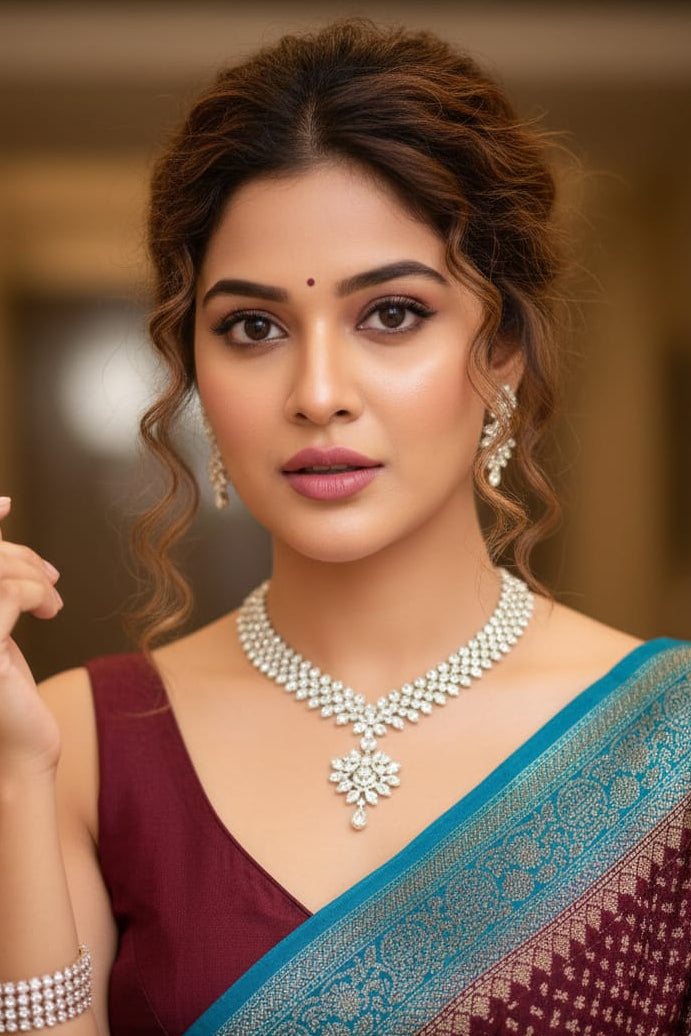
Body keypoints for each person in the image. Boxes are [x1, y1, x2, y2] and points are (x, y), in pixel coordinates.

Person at [0, 18, 689, 1036]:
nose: (318, 392)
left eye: (393, 313)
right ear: (194, 370)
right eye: (253, 327)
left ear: (500, 349)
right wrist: (13, 775)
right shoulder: (78, 744)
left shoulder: (666, 744)